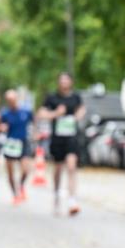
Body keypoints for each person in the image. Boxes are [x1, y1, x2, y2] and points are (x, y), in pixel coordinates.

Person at [38, 73, 85, 215]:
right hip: (57, 138)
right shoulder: (52, 98)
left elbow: (82, 109)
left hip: (71, 137)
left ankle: (72, 200)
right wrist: (56, 114)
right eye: (61, 80)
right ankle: (57, 195)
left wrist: (78, 116)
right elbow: (41, 114)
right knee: (58, 169)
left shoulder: (75, 97)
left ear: (71, 82)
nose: (64, 83)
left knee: (71, 166)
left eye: (66, 80)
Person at [0, 89, 33, 204]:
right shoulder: (5, 114)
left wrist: (35, 133)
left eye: (13, 99)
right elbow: (0, 126)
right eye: (9, 100)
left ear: (17, 99)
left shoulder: (26, 111)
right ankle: (15, 194)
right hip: (10, 143)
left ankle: (21, 185)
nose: (11, 102)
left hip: (23, 142)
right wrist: (2, 128)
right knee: (10, 171)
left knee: (26, 169)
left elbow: (33, 122)